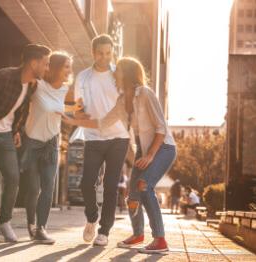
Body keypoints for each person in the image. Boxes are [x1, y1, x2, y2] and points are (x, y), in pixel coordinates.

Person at [61, 56, 177, 253]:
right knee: (132, 197)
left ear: (128, 74)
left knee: (143, 186)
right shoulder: (123, 101)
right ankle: (138, 234)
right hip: (143, 148)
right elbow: (102, 123)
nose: (114, 74)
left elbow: (161, 129)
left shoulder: (146, 94)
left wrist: (149, 156)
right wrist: (73, 121)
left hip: (163, 148)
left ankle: (160, 240)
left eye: (118, 72)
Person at [0, 44, 51, 244]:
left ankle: (4, 222)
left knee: (13, 178)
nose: (47, 68)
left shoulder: (31, 85)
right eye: (45, 63)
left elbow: (19, 110)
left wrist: (15, 131)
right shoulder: (3, 77)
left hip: (6, 135)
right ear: (33, 62)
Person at [73, 34, 130, 246]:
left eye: (108, 53)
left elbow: (126, 104)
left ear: (112, 52)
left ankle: (104, 231)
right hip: (93, 137)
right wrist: (78, 115)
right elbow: (78, 105)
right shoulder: (83, 77)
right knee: (86, 182)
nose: (104, 57)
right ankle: (91, 217)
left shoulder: (119, 75)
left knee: (110, 185)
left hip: (118, 137)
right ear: (93, 53)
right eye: (100, 53)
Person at [21, 51, 78, 244]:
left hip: (52, 142)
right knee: (33, 188)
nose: (69, 71)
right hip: (32, 142)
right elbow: (24, 103)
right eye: (66, 66)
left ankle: (41, 228)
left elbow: (58, 106)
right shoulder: (37, 85)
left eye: (70, 67)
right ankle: (31, 223)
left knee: (48, 188)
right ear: (54, 67)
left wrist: (73, 109)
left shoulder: (64, 89)